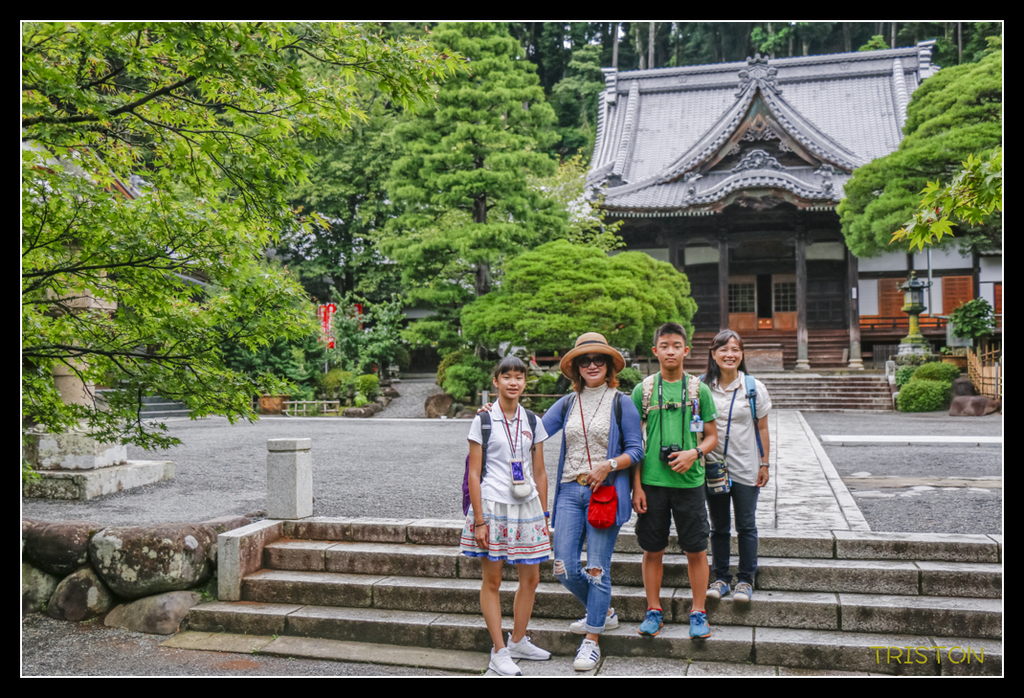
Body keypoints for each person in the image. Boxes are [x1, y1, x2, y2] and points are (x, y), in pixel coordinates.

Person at [542, 333, 644, 671]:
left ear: (609, 365)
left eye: (598, 358)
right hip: (570, 491)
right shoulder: (567, 403)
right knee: (563, 567)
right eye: (584, 360)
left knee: (597, 568)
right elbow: (534, 431)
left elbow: (636, 450)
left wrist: (608, 464)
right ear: (576, 368)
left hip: (605, 493)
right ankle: (604, 612)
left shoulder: (621, 402)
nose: (592, 365)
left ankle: (592, 639)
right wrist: (497, 410)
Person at [460, 356, 552, 676]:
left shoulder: (533, 421)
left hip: (528, 506)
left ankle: (518, 640)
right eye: (507, 376)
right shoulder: (483, 420)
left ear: (525, 382)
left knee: (532, 578)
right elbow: (474, 474)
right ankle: (498, 650)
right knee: (493, 580)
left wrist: (544, 515)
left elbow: (540, 472)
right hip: (493, 505)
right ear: (495, 381)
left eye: (519, 377)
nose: (514, 382)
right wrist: (480, 521)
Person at [631, 322, 719, 639]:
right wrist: (636, 486)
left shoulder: (699, 390)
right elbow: (633, 443)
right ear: (655, 351)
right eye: (665, 346)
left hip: (690, 483)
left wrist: (694, 453)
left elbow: (712, 437)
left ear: (686, 351)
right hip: (652, 484)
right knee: (652, 549)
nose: (671, 351)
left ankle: (699, 612)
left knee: (696, 549)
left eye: (676, 346)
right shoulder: (643, 390)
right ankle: (653, 610)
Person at [701, 330, 771, 604]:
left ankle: (745, 580)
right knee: (718, 526)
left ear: (741, 354)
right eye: (723, 349)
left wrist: (765, 463)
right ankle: (720, 578)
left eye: (735, 350)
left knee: (746, 525)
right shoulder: (702, 387)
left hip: (746, 466)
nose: (729, 355)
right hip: (713, 467)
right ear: (713, 354)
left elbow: (762, 428)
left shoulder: (753, 387)